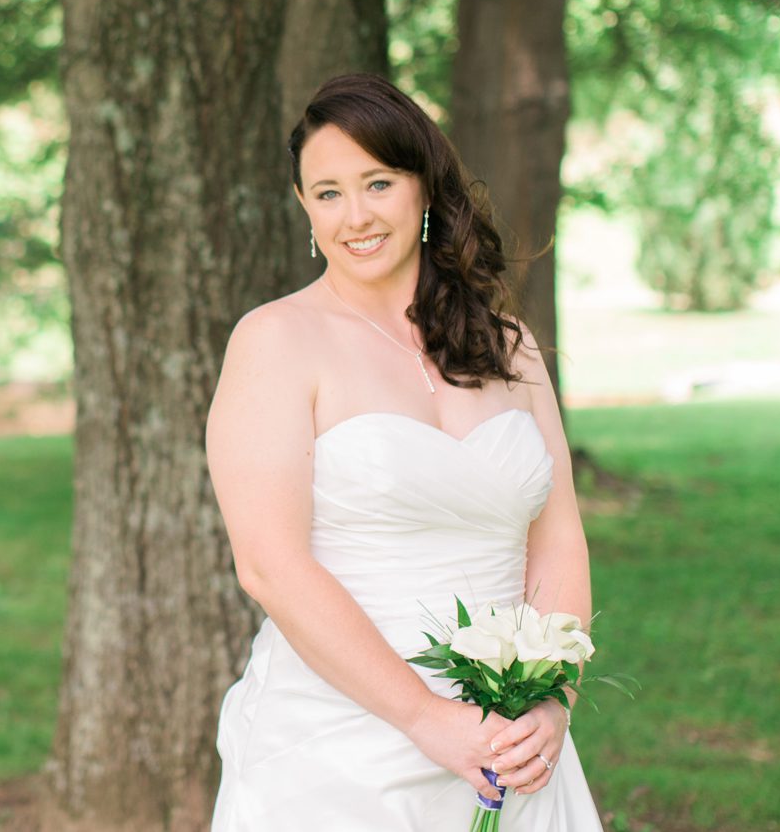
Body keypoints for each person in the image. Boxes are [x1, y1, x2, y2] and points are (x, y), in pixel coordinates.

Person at [206, 74, 602, 830]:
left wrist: (551, 703)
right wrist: (428, 719)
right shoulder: (276, 342)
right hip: (336, 750)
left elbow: (558, 545)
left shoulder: (508, 347)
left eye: (377, 183)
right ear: (303, 208)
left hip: (512, 746)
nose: (354, 215)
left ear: (424, 188)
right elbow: (270, 565)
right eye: (327, 193)